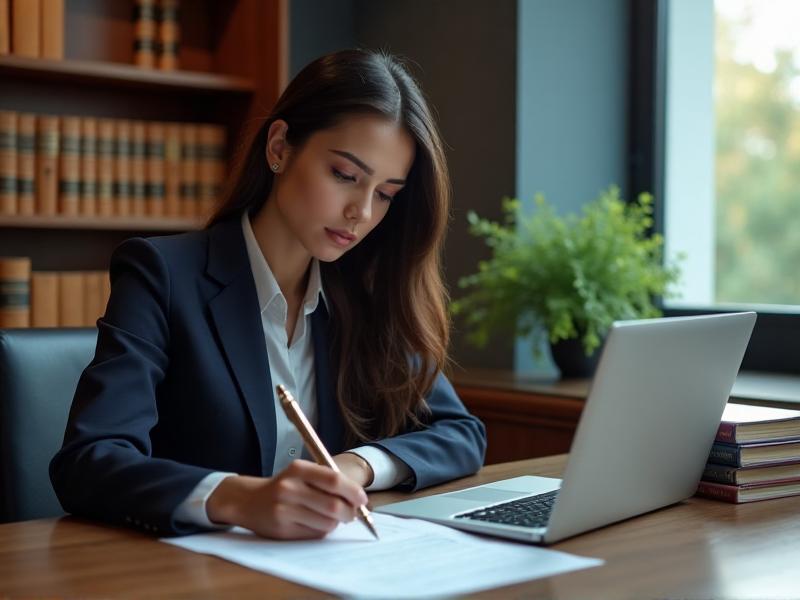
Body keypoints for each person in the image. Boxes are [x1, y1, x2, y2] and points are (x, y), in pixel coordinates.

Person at [50, 49, 487, 540]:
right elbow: (89, 461)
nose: (361, 212)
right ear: (279, 146)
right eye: (345, 175)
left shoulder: (366, 293)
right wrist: (238, 498)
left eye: (385, 194)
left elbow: (461, 433)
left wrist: (355, 466)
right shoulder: (162, 274)